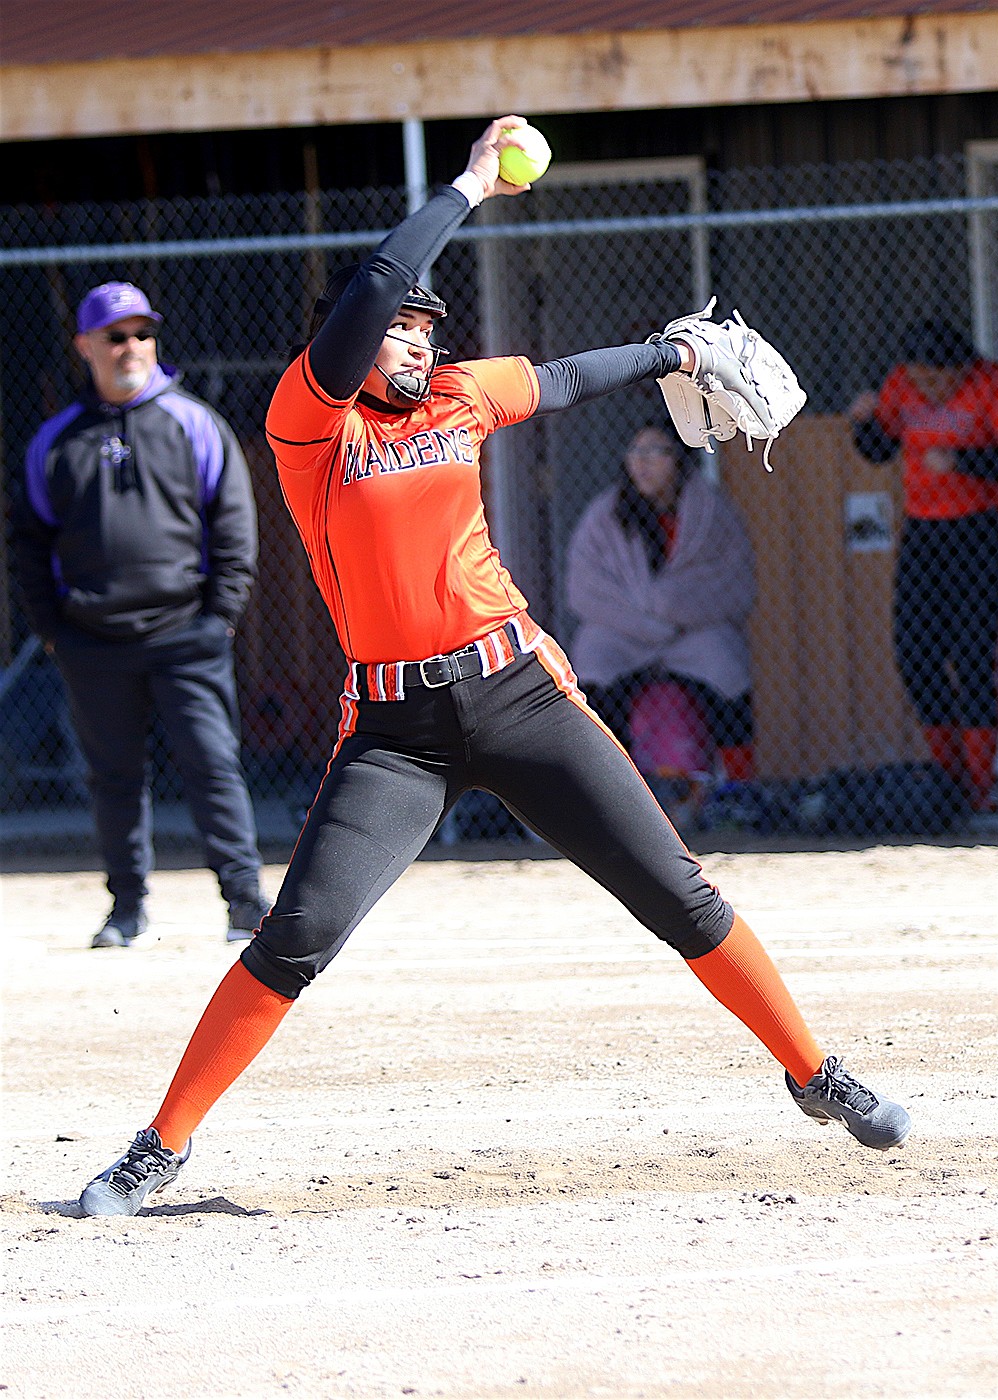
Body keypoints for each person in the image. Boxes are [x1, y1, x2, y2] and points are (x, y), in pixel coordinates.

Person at [78, 117, 909, 1217]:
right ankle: (161, 1143)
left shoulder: (462, 396)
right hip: (392, 734)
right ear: (351, 339)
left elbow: (563, 378)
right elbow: (377, 279)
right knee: (297, 936)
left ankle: (814, 1071)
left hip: (517, 691)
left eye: (427, 328)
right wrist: (471, 183)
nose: (416, 341)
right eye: (397, 329)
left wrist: (677, 352)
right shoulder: (308, 424)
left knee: (679, 892)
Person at [13, 281, 271, 949]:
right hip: (93, 642)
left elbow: (235, 524)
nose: (132, 347)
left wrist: (220, 618)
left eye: (142, 333)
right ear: (85, 347)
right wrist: (54, 631)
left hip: (188, 632)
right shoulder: (54, 442)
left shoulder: (193, 422)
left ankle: (245, 900)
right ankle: (126, 909)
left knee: (212, 764)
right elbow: (29, 542)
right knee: (114, 777)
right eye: (116, 336)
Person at [850, 321, 998, 816]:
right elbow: (879, 449)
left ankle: (979, 788)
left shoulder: (988, 383)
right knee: (915, 654)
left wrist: (960, 461)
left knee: (974, 656)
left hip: (980, 528)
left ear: (963, 368)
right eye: (921, 379)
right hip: (924, 531)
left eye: (940, 380)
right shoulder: (900, 383)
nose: (929, 390)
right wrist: (864, 424)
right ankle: (949, 780)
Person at [566, 423, 757, 786]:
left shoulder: (712, 511)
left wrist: (670, 605)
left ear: (681, 459)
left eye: (656, 451)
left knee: (726, 662)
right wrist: (646, 620)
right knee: (593, 659)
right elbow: (584, 588)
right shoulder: (604, 515)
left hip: (690, 630)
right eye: (635, 452)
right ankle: (605, 784)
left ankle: (737, 787)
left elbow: (736, 583)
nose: (643, 463)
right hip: (625, 631)